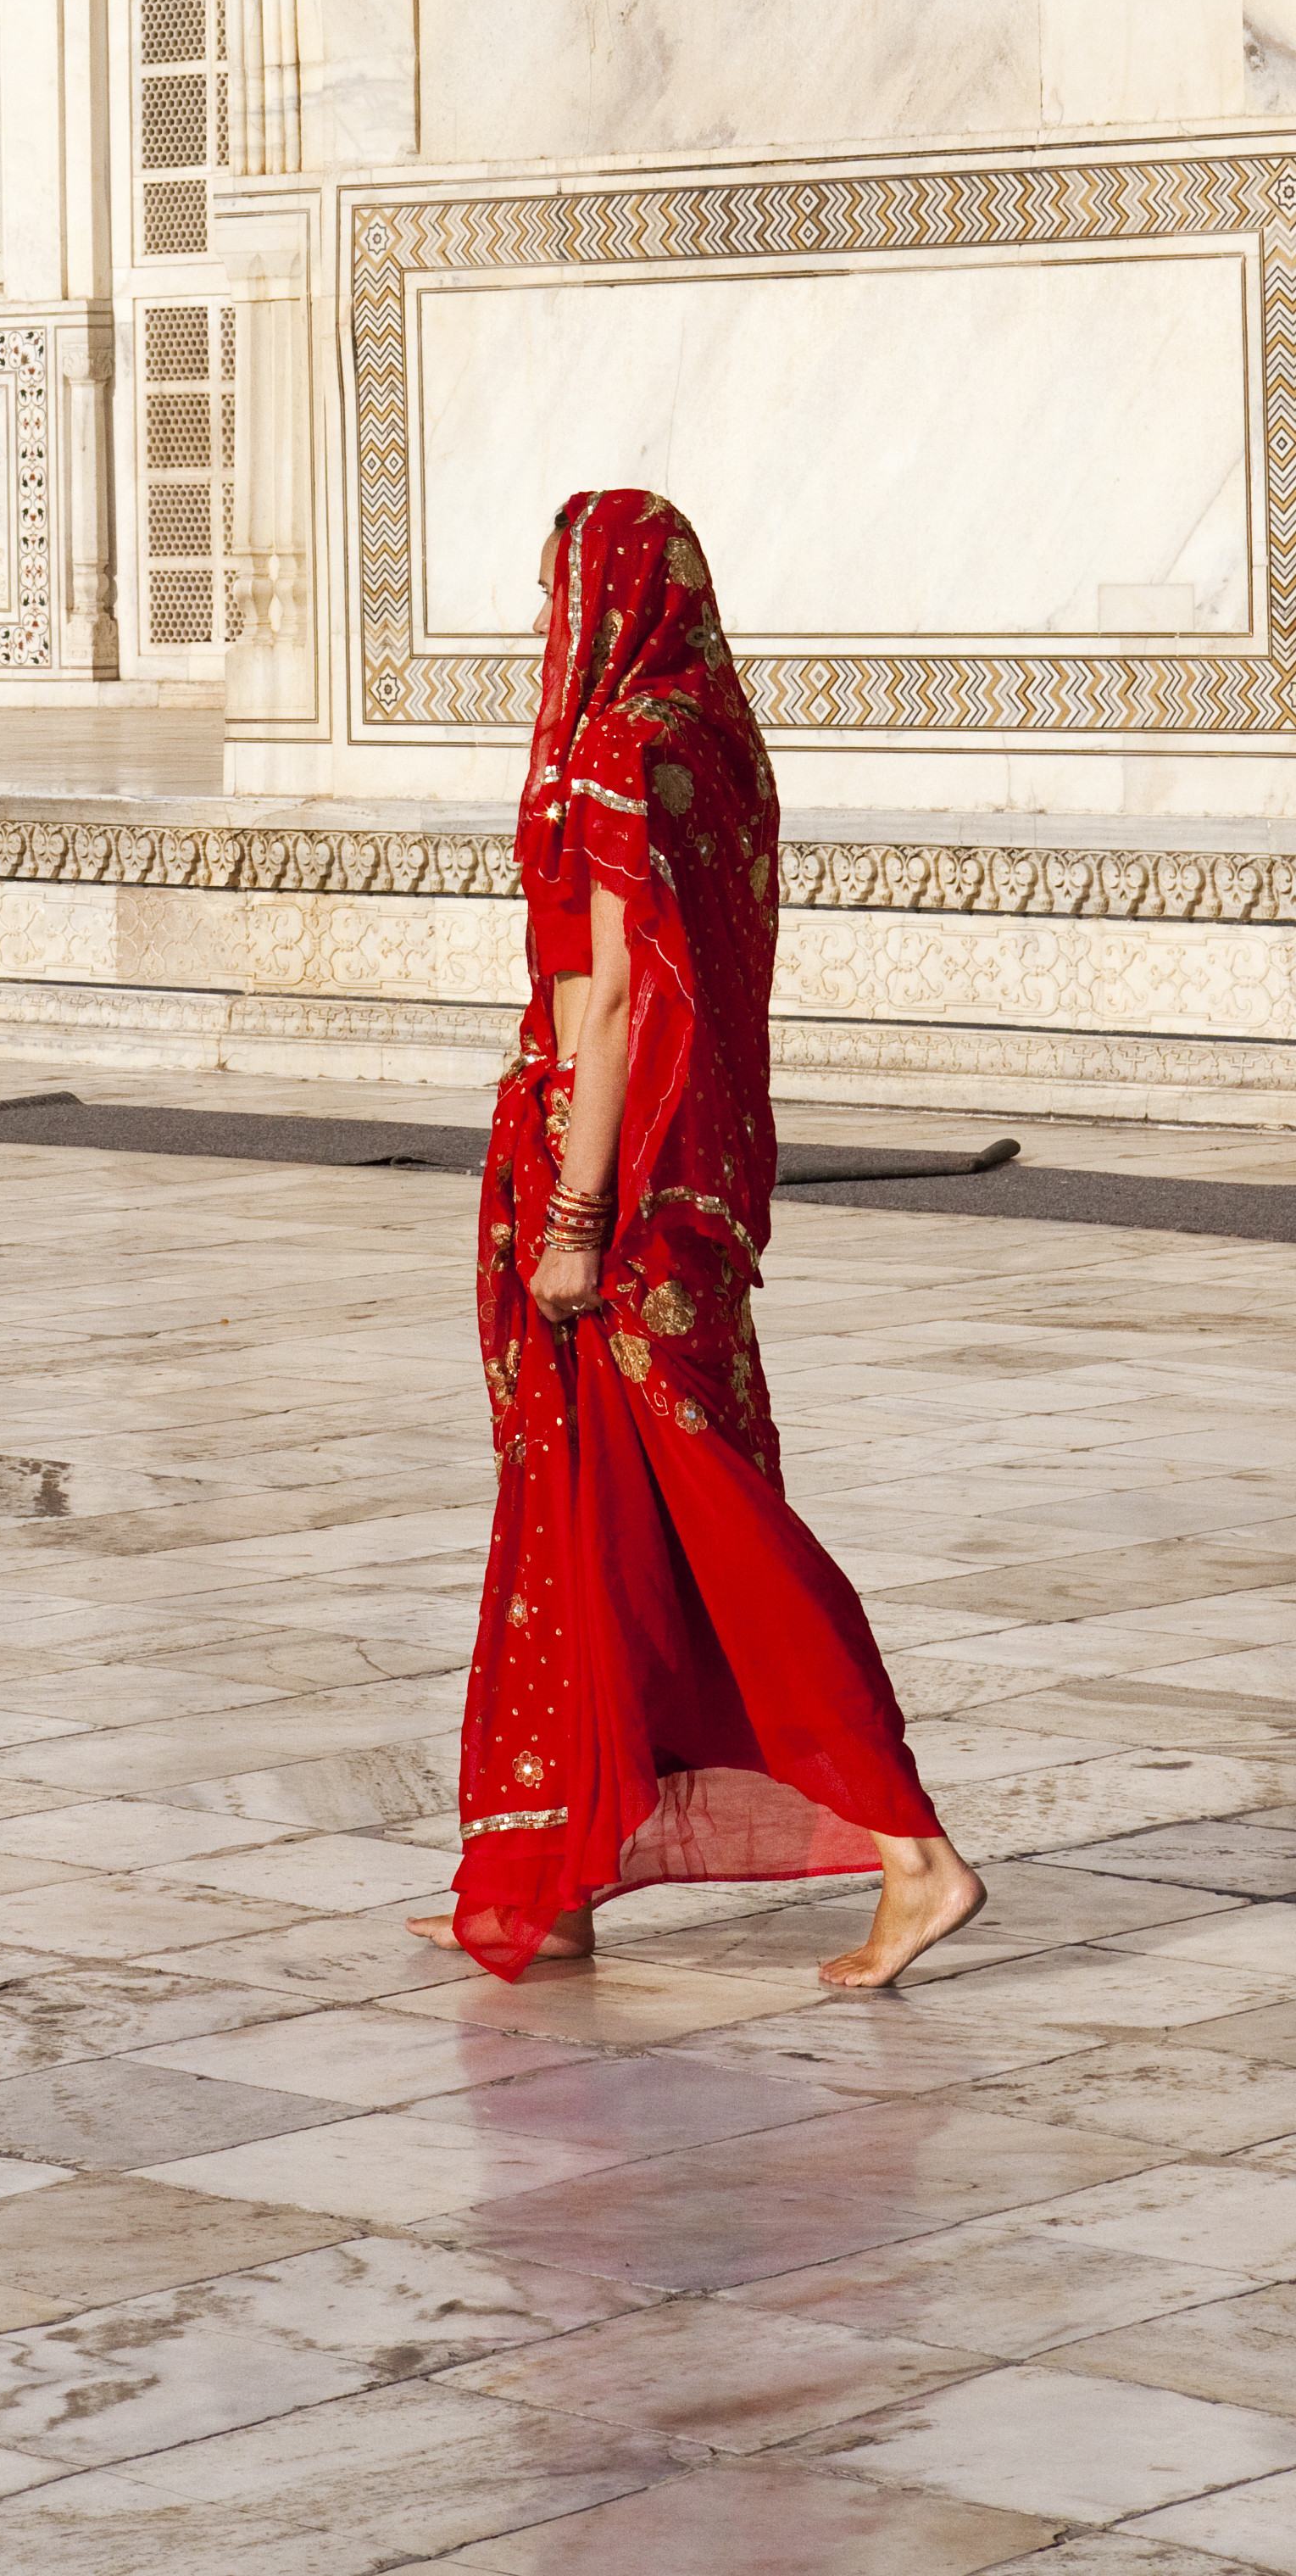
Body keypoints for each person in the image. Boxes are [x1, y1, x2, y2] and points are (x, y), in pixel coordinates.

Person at [409, 487, 983, 1988]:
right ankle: (555, 1862)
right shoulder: (710, 739)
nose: (548, 632)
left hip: (624, 1198)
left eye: (554, 601)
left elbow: (612, 1003)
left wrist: (579, 1222)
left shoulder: (617, 754)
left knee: (719, 1530)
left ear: (607, 596)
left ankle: (914, 1855)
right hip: (694, 1195)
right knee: (594, 1523)